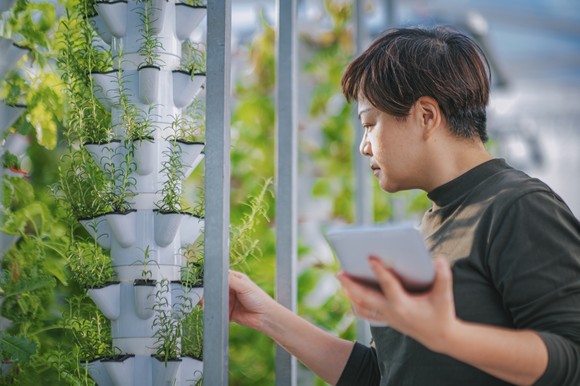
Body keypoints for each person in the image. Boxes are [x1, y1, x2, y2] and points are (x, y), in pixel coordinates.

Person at [228, 25, 580, 385]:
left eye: (370, 123)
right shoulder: (434, 222)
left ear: (426, 116)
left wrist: (449, 336)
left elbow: (571, 357)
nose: (364, 146)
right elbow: (383, 376)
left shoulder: (519, 207)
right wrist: (265, 315)